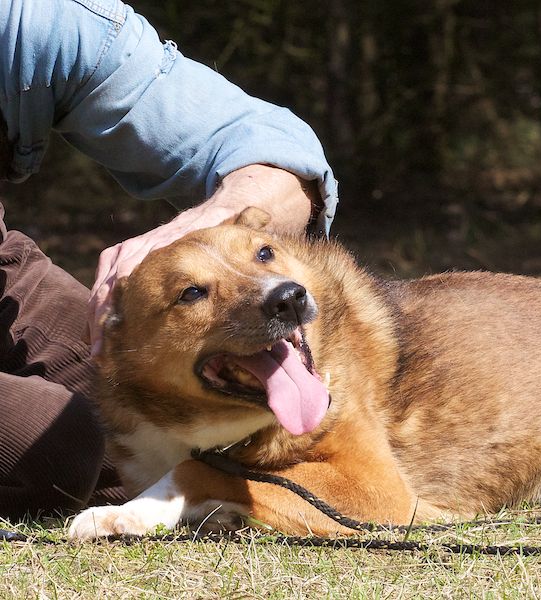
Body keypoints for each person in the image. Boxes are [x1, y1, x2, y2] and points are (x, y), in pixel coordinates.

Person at [0, 0, 338, 519]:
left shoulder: (35, 23)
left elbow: (274, 150)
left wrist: (209, 219)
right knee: (55, 448)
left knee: (134, 411)